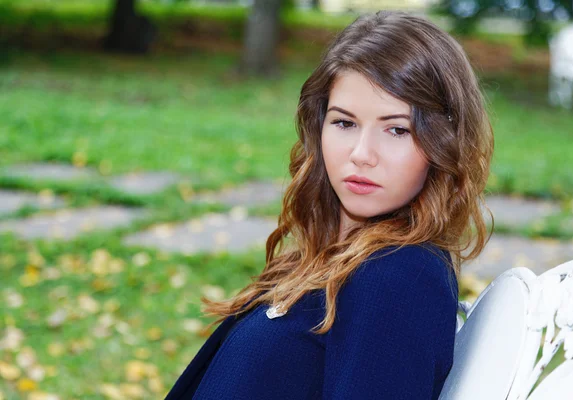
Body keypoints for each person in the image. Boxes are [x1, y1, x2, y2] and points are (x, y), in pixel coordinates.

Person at [165, 10, 493, 400]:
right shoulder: (339, 255)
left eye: (396, 129)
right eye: (344, 123)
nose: (361, 154)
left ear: (443, 143)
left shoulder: (398, 275)